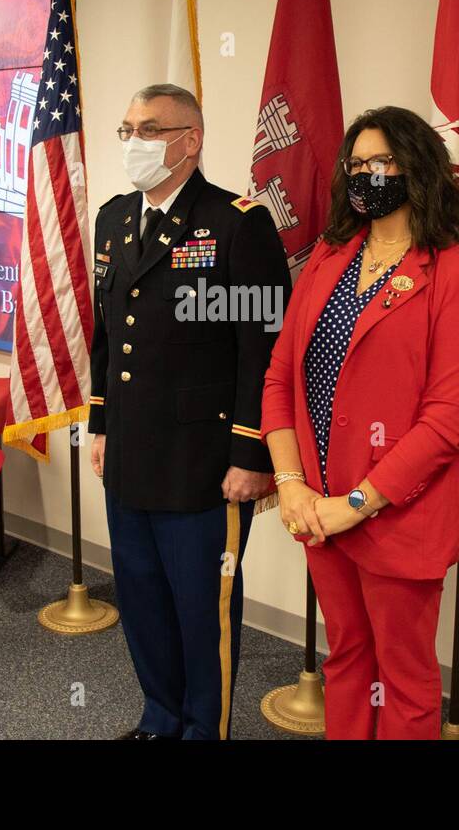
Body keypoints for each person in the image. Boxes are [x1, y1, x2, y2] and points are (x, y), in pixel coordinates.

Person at [260, 106, 459, 740]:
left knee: (403, 678)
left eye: (382, 162)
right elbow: (280, 377)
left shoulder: (458, 272)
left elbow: (449, 419)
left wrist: (357, 503)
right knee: (347, 661)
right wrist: (289, 484)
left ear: (416, 168)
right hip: (317, 509)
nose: (366, 175)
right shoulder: (330, 257)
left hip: (393, 514)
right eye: (356, 164)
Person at [88, 83, 290, 739]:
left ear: (190, 140)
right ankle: (160, 716)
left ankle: (206, 728)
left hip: (204, 463)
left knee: (203, 611)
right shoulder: (115, 219)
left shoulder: (236, 222)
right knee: (142, 599)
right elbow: (105, 335)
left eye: (149, 129)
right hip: (131, 453)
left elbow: (262, 350)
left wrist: (250, 452)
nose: (134, 143)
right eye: (127, 130)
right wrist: (100, 425)